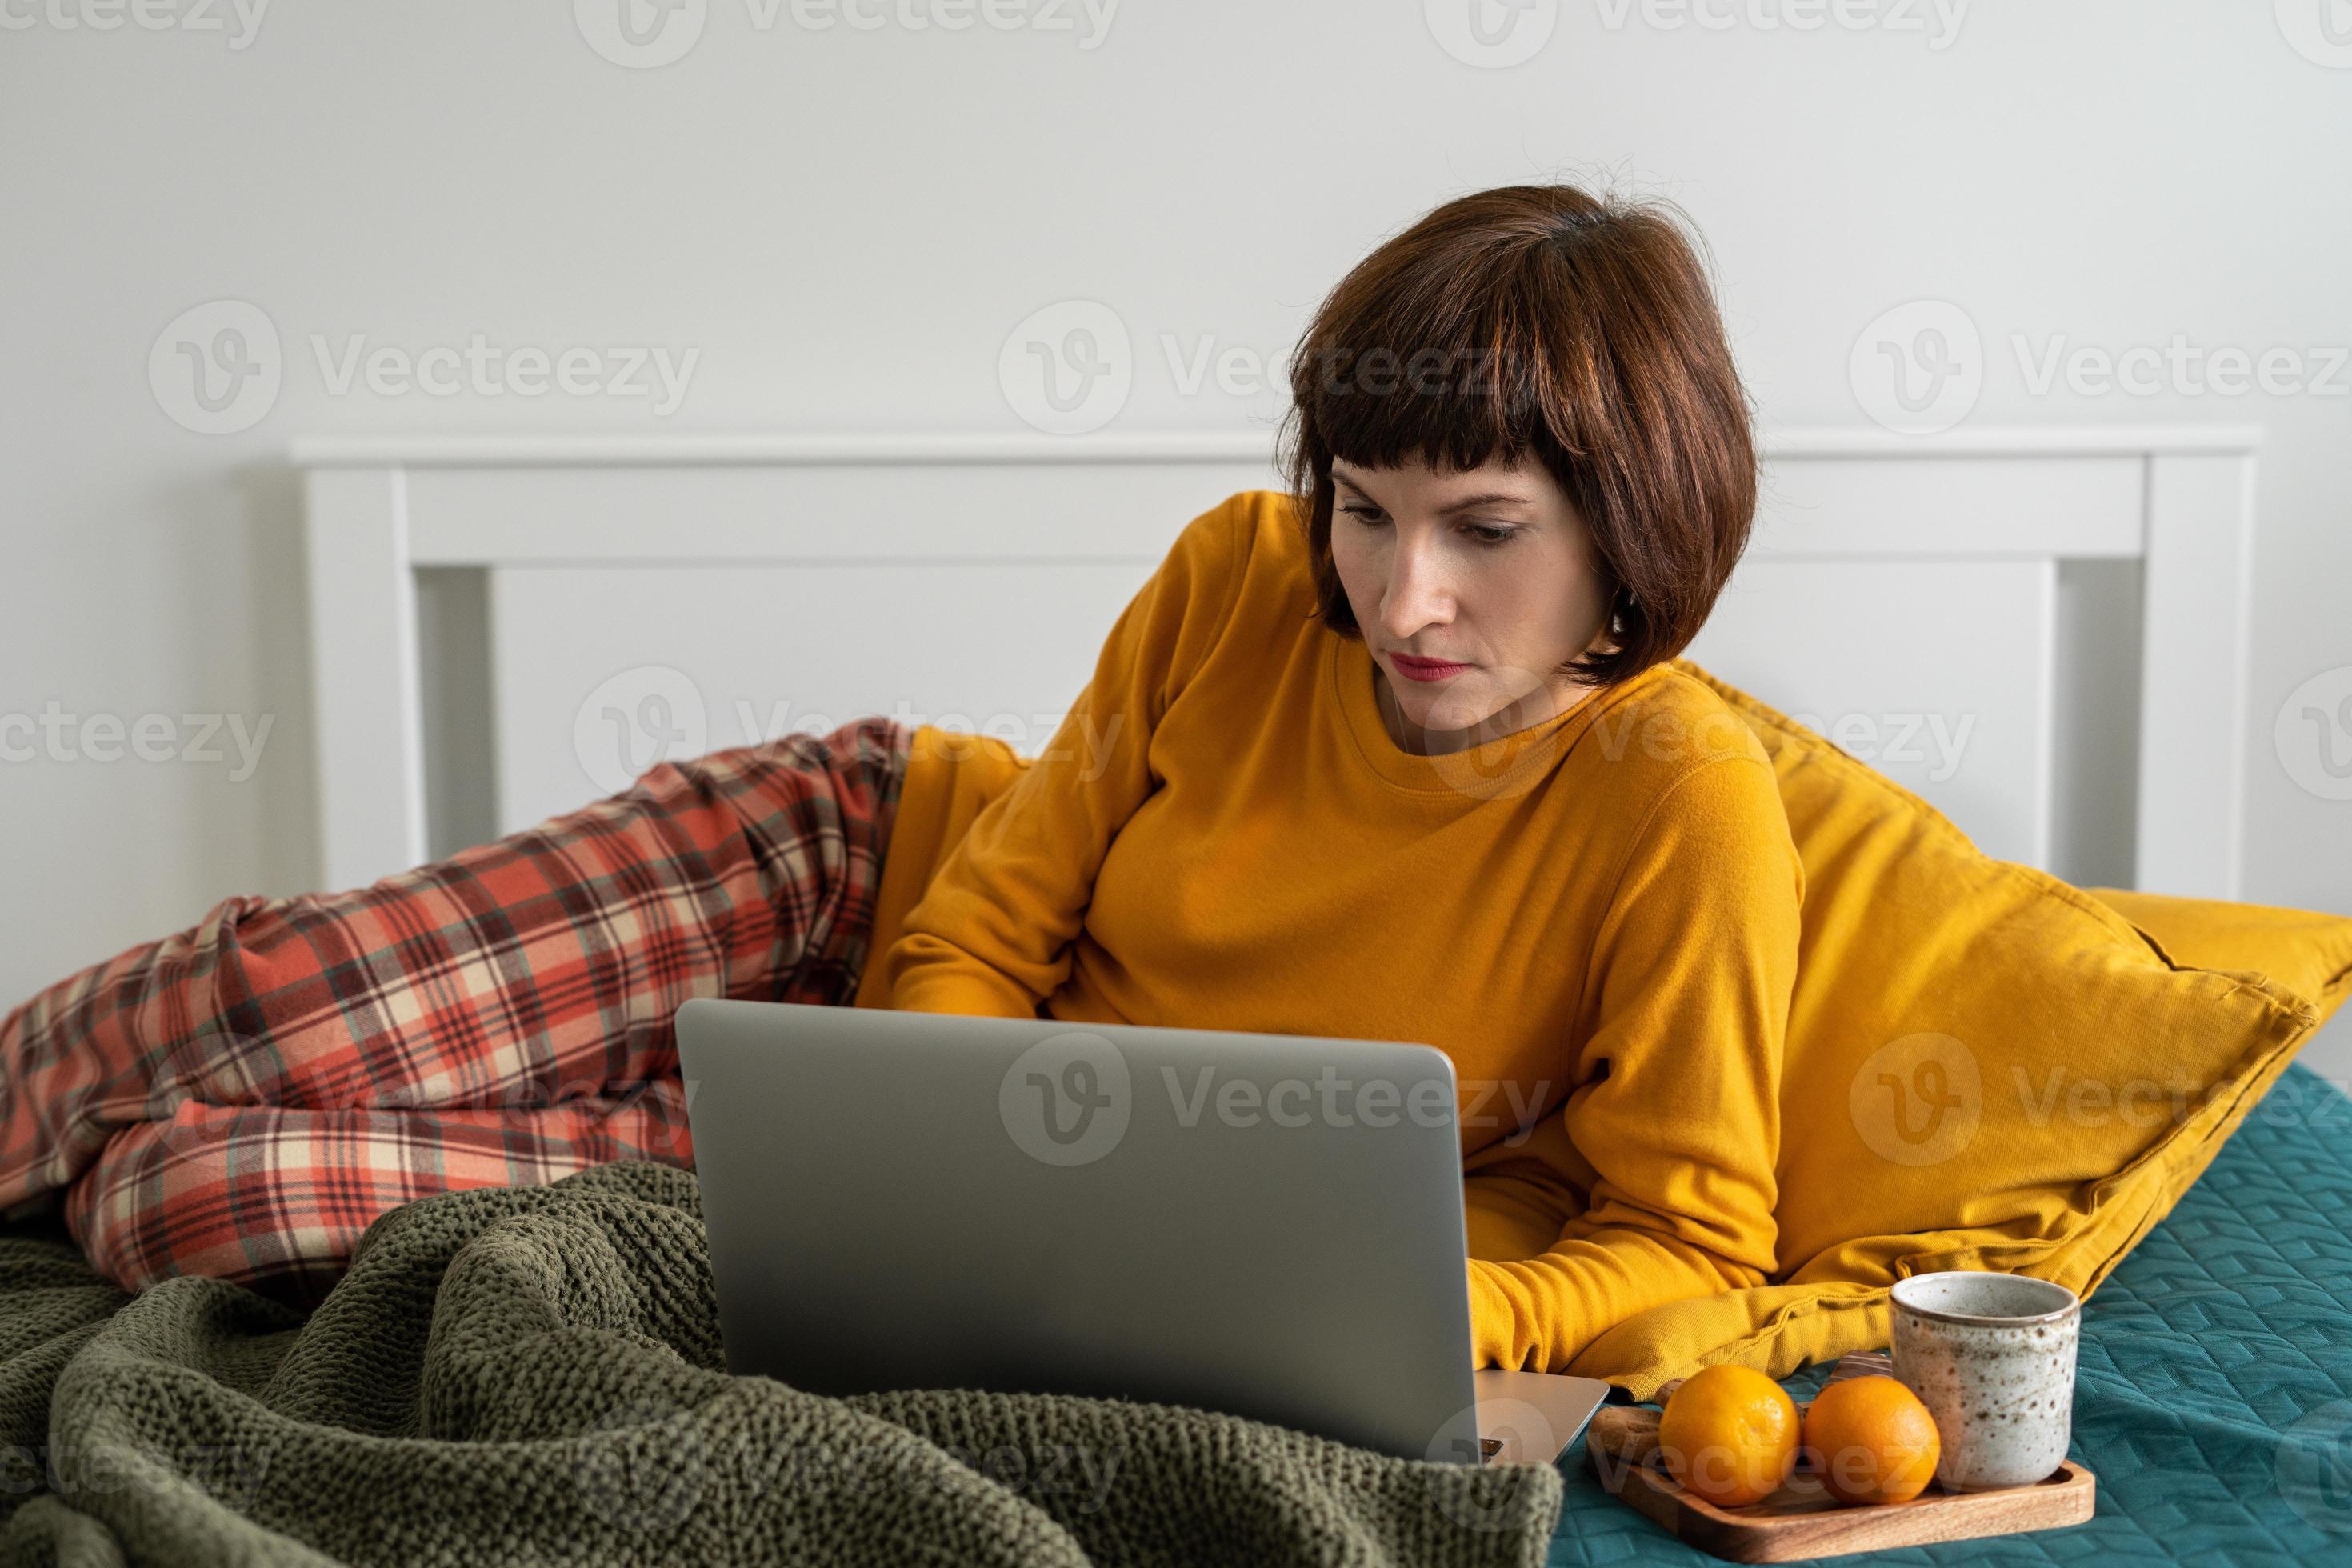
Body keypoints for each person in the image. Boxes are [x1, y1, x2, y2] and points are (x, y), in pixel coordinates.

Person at [1, 182, 1801, 1376]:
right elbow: (986, 919)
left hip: (1016, 1198)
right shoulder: (1242, 572)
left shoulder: (1681, 802)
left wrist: (1453, 1316)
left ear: (1635, 528)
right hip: (857, 871)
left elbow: (1695, 1245)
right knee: (273, 1003)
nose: (1402, 593)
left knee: (203, 1202)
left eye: (1485, 530)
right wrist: (947, 1131)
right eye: (1369, 511)